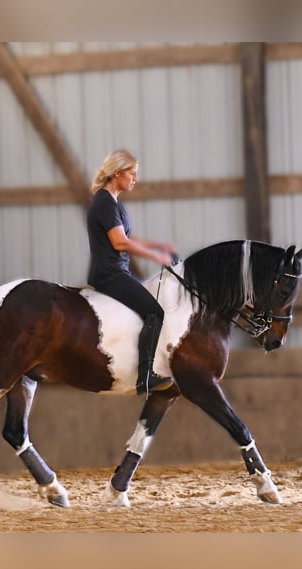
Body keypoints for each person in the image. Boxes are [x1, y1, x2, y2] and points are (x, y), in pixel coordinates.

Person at [86, 149, 177, 395]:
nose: (136, 179)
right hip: (109, 273)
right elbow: (120, 243)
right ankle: (145, 376)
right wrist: (156, 257)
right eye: (132, 173)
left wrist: (159, 246)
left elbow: (129, 237)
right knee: (155, 313)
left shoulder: (115, 203)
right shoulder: (103, 202)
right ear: (117, 173)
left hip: (119, 270)